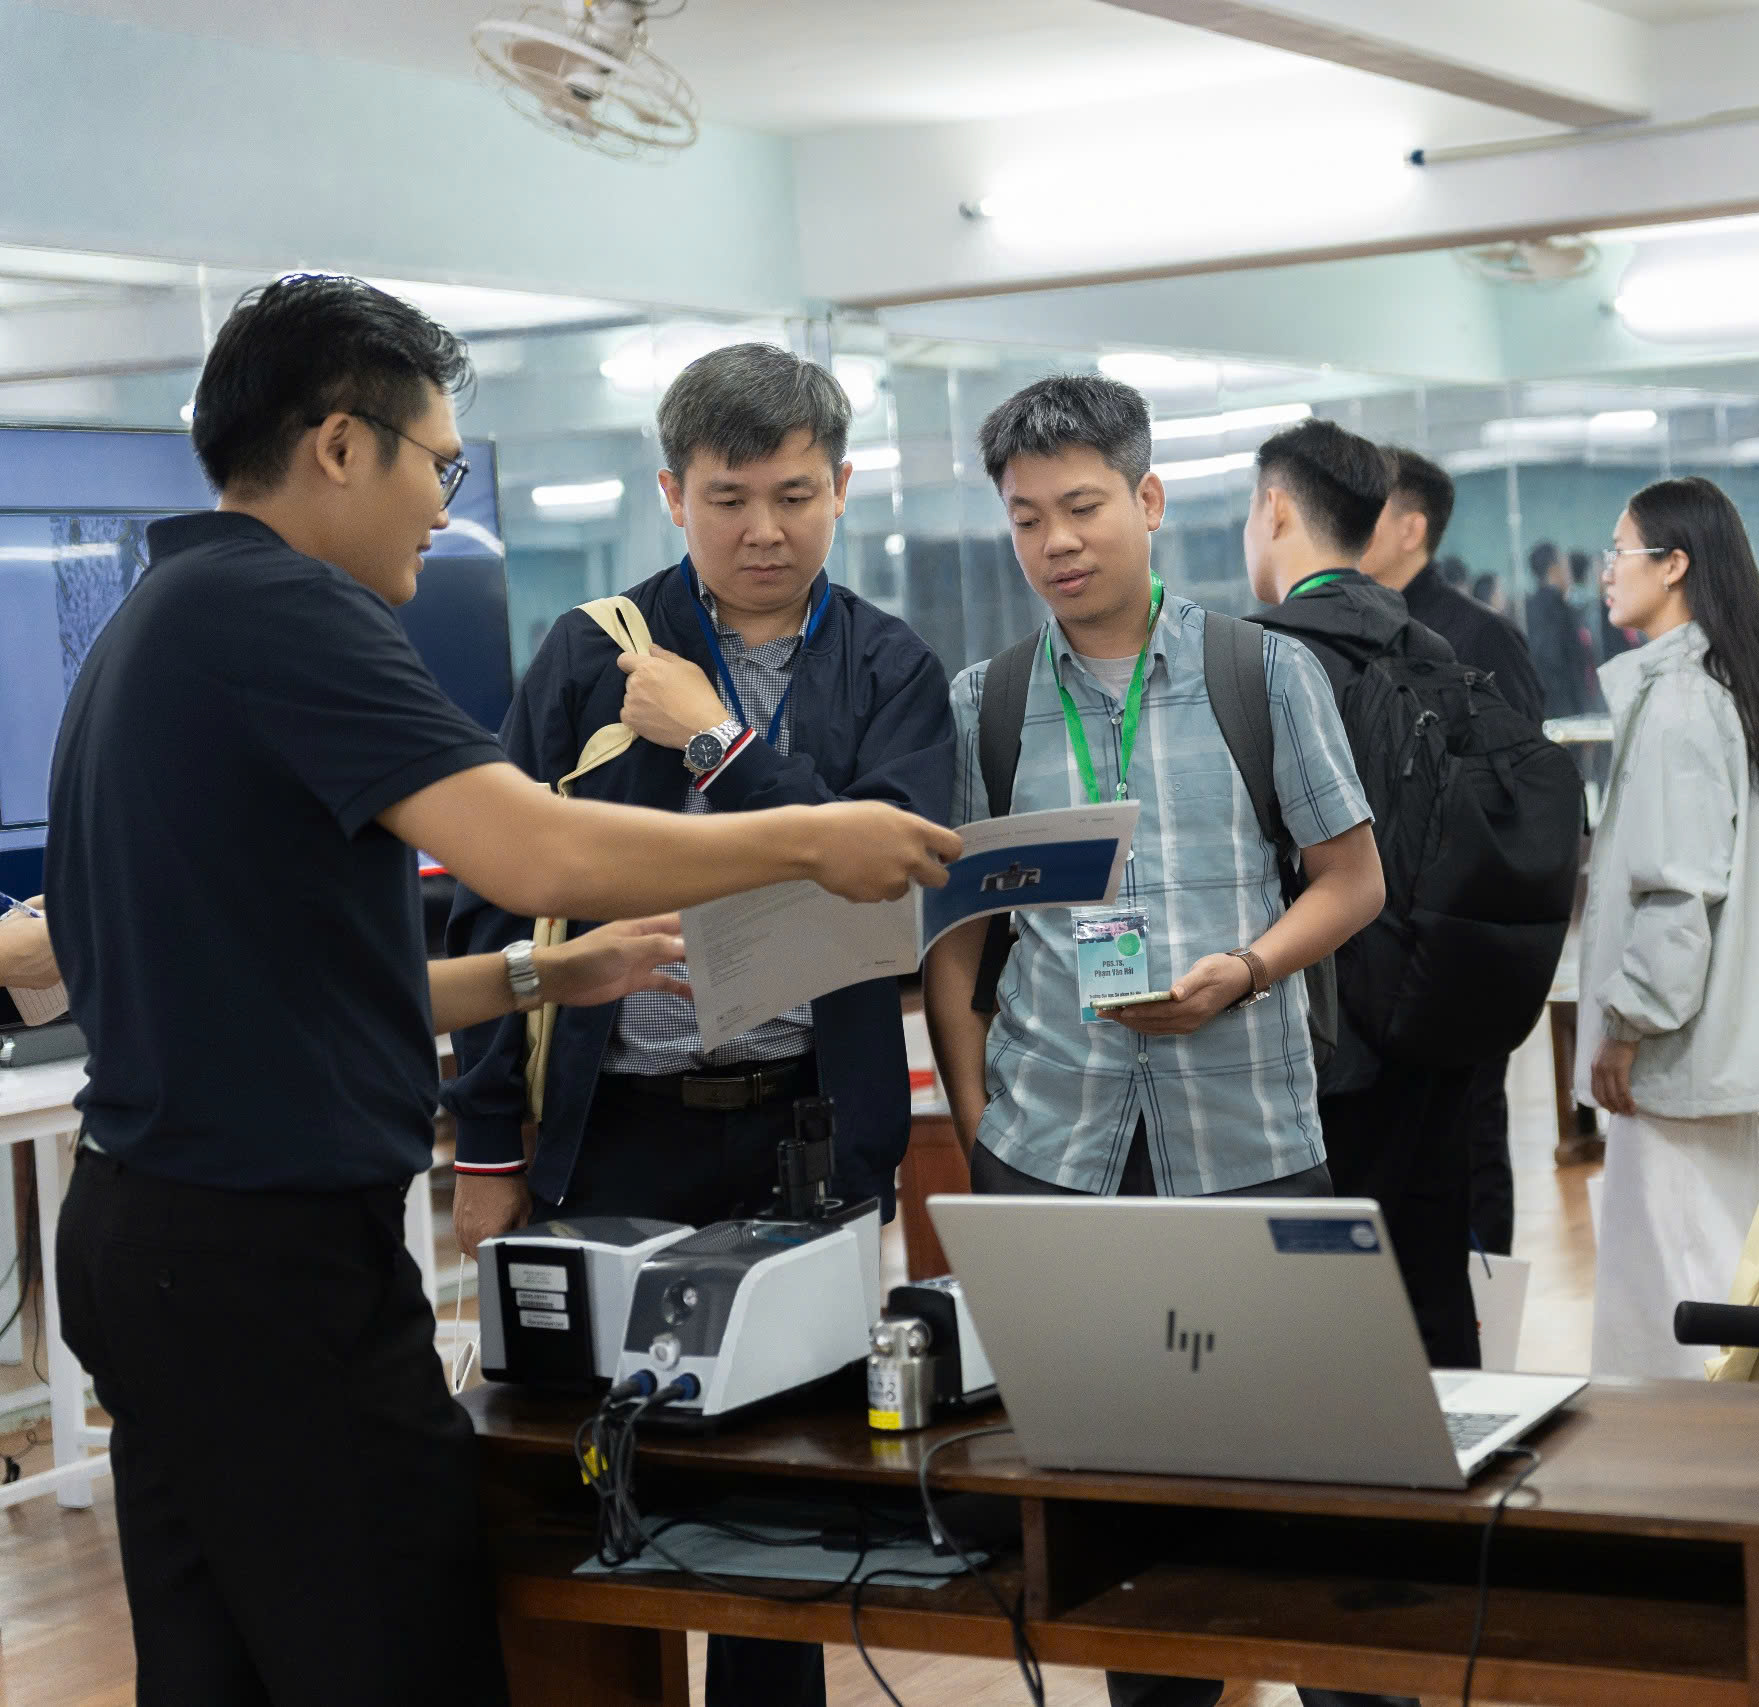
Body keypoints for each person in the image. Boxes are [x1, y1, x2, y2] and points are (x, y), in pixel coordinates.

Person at [47, 275, 959, 1707]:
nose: (441, 508)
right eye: (440, 464)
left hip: (154, 1233)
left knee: (219, 1662)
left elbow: (312, 976)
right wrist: (806, 834)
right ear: (341, 445)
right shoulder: (297, 612)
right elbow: (532, 847)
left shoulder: (158, 616)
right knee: (395, 1648)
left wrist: (549, 969)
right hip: (271, 1259)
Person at [444, 343, 954, 1706]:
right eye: (728, 498)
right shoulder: (592, 653)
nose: (762, 529)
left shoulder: (891, 667)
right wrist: (486, 1146)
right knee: (586, 1482)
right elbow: (497, 899)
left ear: (842, 488)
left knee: (783, 1510)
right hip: (617, 1133)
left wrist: (717, 739)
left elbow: (888, 874)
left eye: (794, 494)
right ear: (673, 494)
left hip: (804, 1133)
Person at [922, 373, 1389, 1707]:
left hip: (1248, 1133)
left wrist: (1246, 969)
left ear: (1149, 499)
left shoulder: (1262, 672)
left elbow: (1353, 880)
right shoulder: (986, 702)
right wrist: (982, 1134)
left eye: (1081, 507)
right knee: (1123, 1530)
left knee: (1318, 1509)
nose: (1056, 542)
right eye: (1026, 519)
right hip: (1058, 1149)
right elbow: (956, 938)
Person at [1578, 477, 1759, 1379]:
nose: (1606, 571)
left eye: (1620, 551)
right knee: (1704, 1255)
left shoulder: (1682, 703)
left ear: (1675, 563)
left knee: (1686, 1285)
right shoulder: (1732, 687)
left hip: (1676, 1045)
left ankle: (1720, 1456)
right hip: (1709, 1040)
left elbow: (1677, 896)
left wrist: (1628, 1022)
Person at [1251, 420, 1480, 1365]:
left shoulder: (1261, 660)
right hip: (1435, 1012)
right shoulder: (1436, 648)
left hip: (1319, 1037)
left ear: (1274, 510)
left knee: (1323, 1316)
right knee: (1431, 1281)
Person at [1357, 446, 1546, 1257]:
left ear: (1412, 527)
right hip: (1373, 948)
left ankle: (1479, 1316)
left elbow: (1516, 803)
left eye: (1367, 508)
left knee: (1466, 1143)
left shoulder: (1477, 637)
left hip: (1454, 949)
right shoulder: (1356, 631)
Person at [1524, 538, 1594, 714]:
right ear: (1553, 568)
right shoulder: (1558, 609)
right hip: (1565, 707)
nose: (1569, 574)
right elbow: (1559, 661)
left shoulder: (1529, 609)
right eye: (1565, 566)